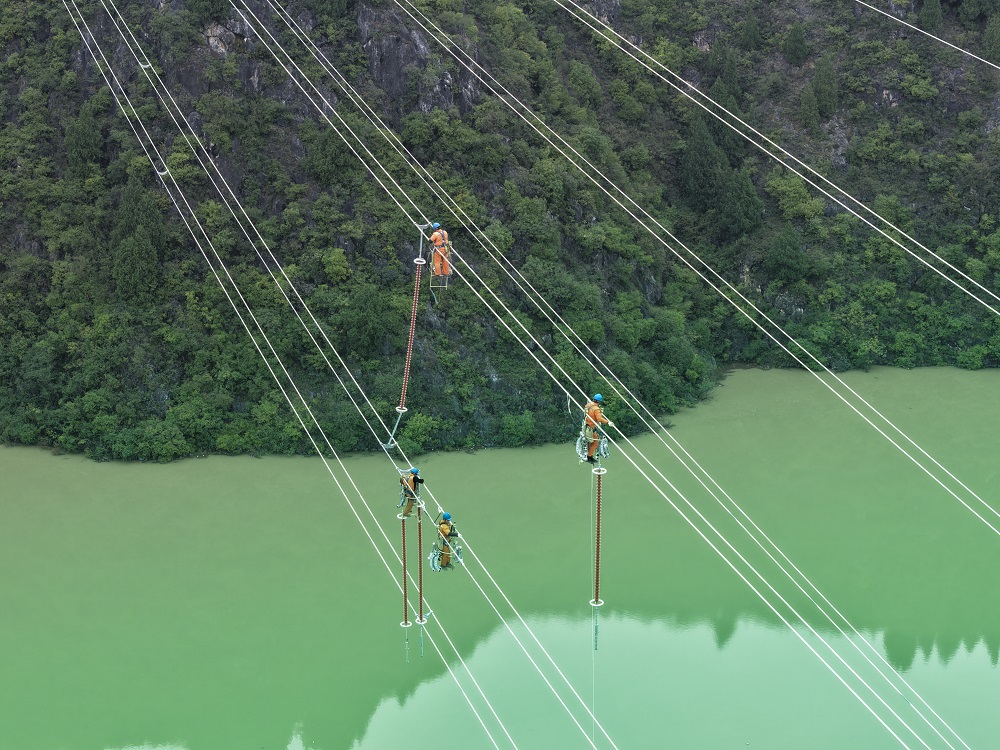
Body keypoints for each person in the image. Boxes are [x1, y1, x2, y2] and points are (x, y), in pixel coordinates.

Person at [582, 393, 614, 463]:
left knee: (589, 441)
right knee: (595, 443)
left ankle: (588, 455)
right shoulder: (596, 409)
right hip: (591, 428)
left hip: (586, 426)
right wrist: (608, 422)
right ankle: (589, 456)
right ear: (599, 401)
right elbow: (599, 419)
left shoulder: (588, 405)